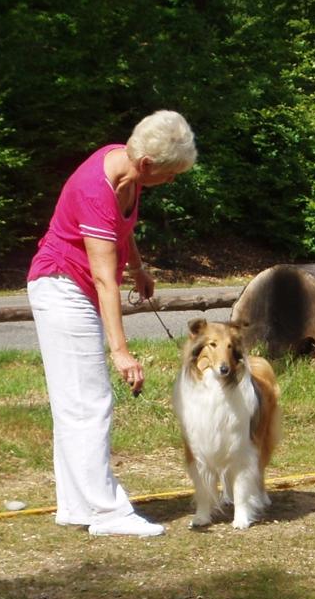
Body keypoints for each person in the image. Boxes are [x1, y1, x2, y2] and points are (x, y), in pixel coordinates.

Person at [27, 110, 197, 536]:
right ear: (146, 165)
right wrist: (120, 352)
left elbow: (121, 231)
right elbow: (105, 279)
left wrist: (138, 267)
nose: (172, 182)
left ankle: (76, 506)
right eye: (170, 174)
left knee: (75, 405)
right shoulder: (94, 188)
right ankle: (107, 513)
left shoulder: (124, 169)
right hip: (61, 287)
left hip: (74, 287)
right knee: (89, 403)